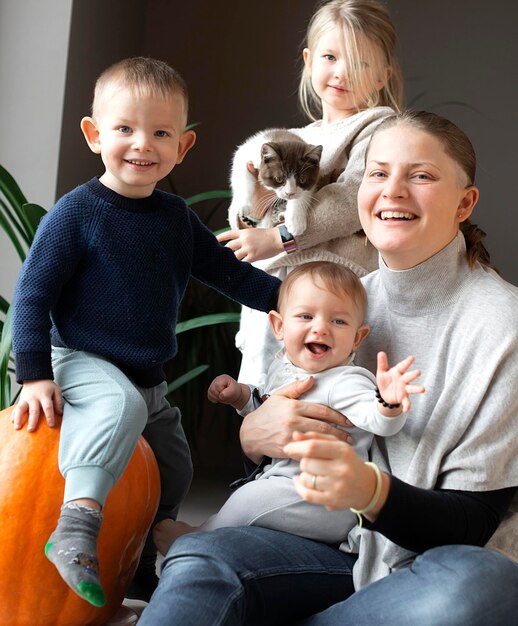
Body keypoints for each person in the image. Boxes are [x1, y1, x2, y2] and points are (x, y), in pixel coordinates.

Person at [138, 111, 518, 625]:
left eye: (421, 175)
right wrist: (256, 432)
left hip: (430, 562)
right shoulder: (344, 301)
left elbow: (475, 523)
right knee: (201, 559)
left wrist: (371, 491)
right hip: (334, 547)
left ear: (465, 203)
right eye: (379, 173)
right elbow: (286, 471)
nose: (394, 191)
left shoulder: (502, 325)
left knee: (482, 583)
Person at [10, 57, 281, 608]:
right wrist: (34, 374)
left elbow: (230, 274)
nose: (142, 144)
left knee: (173, 465)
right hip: (79, 364)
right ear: (94, 135)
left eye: (160, 133)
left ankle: (136, 558)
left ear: (182, 147)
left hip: (146, 379)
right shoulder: (76, 214)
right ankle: (76, 524)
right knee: (118, 408)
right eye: (125, 129)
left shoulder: (176, 220)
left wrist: (290, 306)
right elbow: (32, 296)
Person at [153, 261, 424, 553]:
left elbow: (380, 421)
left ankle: (195, 539)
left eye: (339, 322)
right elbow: (265, 405)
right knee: (251, 505)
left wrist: (389, 402)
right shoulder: (283, 367)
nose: (320, 328)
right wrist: (240, 396)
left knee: (249, 501)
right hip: (288, 485)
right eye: (306, 316)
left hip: (322, 496)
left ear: (357, 338)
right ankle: (219, 541)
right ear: (279, 326)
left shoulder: (347, 381)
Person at [218, 0, 404, 389]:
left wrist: (278, 238)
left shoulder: (378, 125)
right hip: (274, 283)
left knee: (317, 391)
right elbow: (259, 206)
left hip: (329, 283)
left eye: (359, 63)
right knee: (260, 387)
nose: (340, 73)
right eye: (330, 56)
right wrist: (249, 212)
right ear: (308, 59)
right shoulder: (294, 138)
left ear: (383, 76)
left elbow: (353, 198)